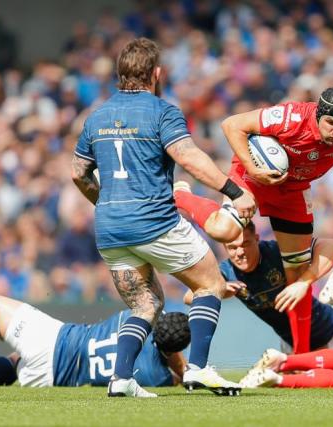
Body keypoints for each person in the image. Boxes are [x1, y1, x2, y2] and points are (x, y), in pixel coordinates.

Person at [70, 37, 255, 397]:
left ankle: (121, 378)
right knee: (210, 285)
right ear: (156, 73)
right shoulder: (162, 111)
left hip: (109, 228)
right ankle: (199, 370)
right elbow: (188, 157)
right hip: (154, 220)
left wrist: (105, 202)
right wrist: (234, 191)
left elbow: (78, 172)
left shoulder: (97, 117)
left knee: (146, 303)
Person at [179, 85, 333, 354]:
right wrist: (251, 169)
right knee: (222, 230)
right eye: (330, 122)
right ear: (318, 115)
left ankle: (302, 354)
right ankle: (181, 195)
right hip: (252, 179)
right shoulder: (290, 117)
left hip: (293, 191)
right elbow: (232, 124)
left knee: (297, 277)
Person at [181, 215, 333, 354]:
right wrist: (220, 290)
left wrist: (304, 282)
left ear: (257, 238)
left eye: (246, 244)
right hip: (292, 344)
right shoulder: (226, 272)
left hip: (332, 333)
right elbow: (189, 297)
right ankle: (326, 299)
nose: (240, 252)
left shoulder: (277, 252)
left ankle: (326, 302)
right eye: (233, 248)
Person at [0, 293, 188, 388]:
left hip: (55, 341)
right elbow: (180, 374)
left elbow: (156, 320)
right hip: (54, 379)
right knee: (17, 361)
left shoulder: (131, 319)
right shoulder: (157, 377)